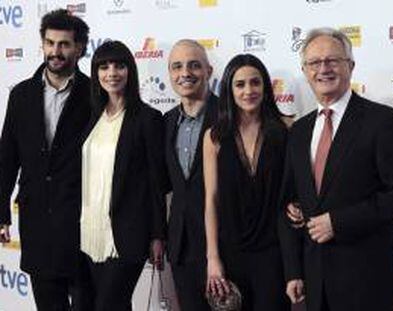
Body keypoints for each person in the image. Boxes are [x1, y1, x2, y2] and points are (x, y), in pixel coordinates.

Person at [284, 27, 393, 311]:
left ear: (350, 66)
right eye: (314, 63)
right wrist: (294, 268)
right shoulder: (299, 131)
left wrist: (339, 222)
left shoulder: (382, 121)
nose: (324, 69)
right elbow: (294, 197)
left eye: (333, 60)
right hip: (316, 281)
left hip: (368, 280)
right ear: (305, 71)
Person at [0, 9, 90, 310]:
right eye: (50, 43)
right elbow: (7, 157)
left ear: (78, 48)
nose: (55, 52)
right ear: (42, 44)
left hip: (83, 223)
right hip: (37, 221)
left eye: (64, 44)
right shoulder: (21, 95)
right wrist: (2, 212)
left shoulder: (95, 94)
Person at [203, 54, 300, 310]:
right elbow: (211, 200)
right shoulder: (214, 137)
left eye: (255, 83)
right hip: (230, 252)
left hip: (274, 253)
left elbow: (297, 190)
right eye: (240, 84)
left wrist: (298, 207)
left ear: (265, 86)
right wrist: (213, 257)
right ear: (229, 89)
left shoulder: (287, 129)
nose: (249, 91)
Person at [78, 40, 166, 311]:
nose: (112, 73)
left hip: (128, 234)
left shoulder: (148, 118)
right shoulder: (90, 116)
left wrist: (157, 235)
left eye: (119, 65)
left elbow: (156, 182)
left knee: (109, 304)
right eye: (104, 66)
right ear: (96, 73)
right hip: (88, 232)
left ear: (131, 71)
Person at [164, 39, 217, 311]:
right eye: (177, 66)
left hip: (224, 245)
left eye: (194, 65)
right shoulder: (166, 122)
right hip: (181, 247)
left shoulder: (230, 116)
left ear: (208, 71)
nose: (185, 73)